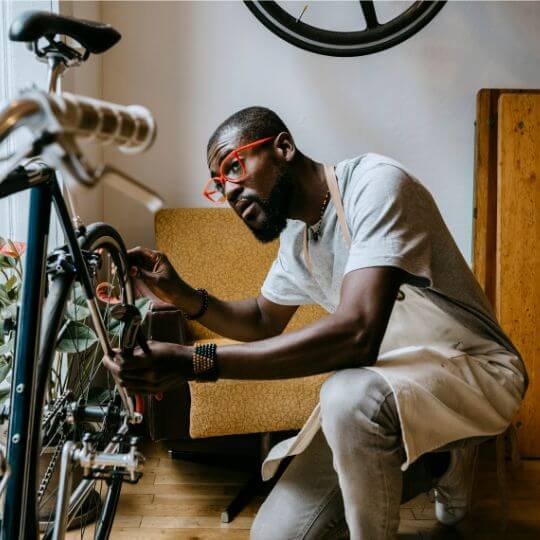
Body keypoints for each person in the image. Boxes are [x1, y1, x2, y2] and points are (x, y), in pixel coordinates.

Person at [103, 107, 527, 539]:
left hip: (478, 370)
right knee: (274, 536)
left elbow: (357, 334)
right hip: (393, 383)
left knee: (345, 392)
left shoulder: (376, 184)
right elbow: (261, 319)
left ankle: (442, 456)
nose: (228, 191)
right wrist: (181, 293)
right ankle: (441, 461)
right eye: (218, 184)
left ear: (283, 148)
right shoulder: (298, 242)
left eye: (234, 167)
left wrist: (196, 361)